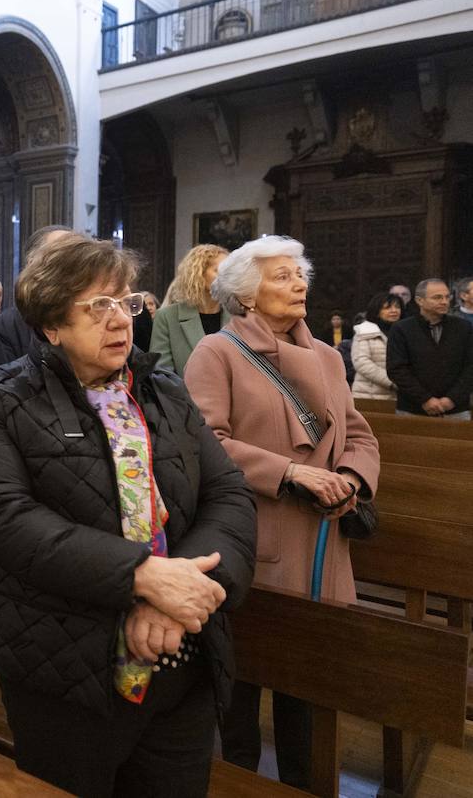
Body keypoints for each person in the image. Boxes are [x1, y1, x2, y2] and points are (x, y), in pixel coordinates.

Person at [0, 235, 256, 797]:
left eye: (127, 302)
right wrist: (141, 576)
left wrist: (182, 591)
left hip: (181, 655)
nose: (120, 319)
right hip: (67, 667)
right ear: (51, 325)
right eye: (98, 306)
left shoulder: (165, 392)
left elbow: (230, 495)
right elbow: (1, 514)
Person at [184, 235, 379, 789]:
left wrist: (351, 477)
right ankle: (234, 783)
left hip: (323, 543)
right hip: (257, 543)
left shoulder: (325, 356)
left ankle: (310, 786)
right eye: (281, 276)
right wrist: (290, 472)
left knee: (311, 692)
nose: (298, 284)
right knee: (244, 688)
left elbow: (361, 434)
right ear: (245, 296)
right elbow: (205, 440)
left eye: (299, 274)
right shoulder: (216, 353)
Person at [0, 225, 78, 364]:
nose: (74, 265)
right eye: (62, 256)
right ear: (33, 266)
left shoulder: (105, 319)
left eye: (78, 255)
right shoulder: (4, 329)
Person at [386, 278, 473, 419]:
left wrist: (451, 399)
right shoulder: (402, 329)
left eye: (447, 297)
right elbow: (397, 369)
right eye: (437, 297)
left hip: (456, 408)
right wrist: (425, 399)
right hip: (413, 408)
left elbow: (470, 367)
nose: (444, 301)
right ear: (420, 300)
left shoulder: (463, 327)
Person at [151, 244, 229, 375]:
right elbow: (162, 374)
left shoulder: (239, 316)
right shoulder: (167, 317)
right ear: (198, 274)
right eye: (220, 270)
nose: (228, 277)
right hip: (183, 394)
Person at [350, 293, 401, 400]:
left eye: (397, 307)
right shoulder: (364, 331)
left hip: (397, 396)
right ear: (377, 311)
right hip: (368, 395)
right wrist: (391, 381)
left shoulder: (403, 332)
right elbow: (362, 363)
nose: (394, 310)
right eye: (388, 307)